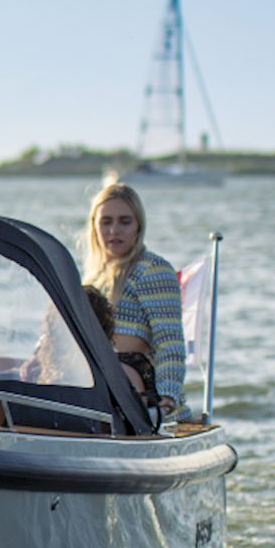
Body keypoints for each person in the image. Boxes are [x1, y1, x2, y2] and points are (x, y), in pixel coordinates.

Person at [81, 180, 186, 420]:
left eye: (124, 221)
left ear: (138, 226)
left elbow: (169, 341)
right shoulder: (93, 275)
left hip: (135, 378)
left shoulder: (152, 270)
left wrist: (168, 398)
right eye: (106, 222)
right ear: (94, 226)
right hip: (96, 372)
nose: (114, 230)